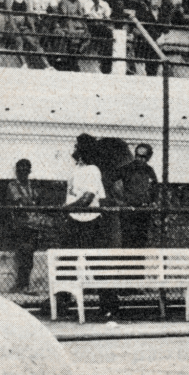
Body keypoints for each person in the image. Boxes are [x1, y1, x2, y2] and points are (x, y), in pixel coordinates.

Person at [64, 133, 118, 318]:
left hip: (90, 223)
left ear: (83, 150)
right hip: (74, 221)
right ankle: (64, 303)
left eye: (77, 146)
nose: (74, 149)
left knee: (96, 265)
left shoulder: (93, 170)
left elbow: (88, 198)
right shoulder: (76, 170)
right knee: (68, 263)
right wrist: (67, 211)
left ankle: (109, 306)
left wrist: (62, 209)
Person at [7, 159, 44, 292]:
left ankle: (25, 284)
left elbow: (36, 201)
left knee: (29, 256)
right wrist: (31, 203)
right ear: (16, 171)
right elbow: (20, 203)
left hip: (34, 225)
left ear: (29, 171)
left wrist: (30, 204)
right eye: (19, 170)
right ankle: (21, 284)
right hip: (20, 225)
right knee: (23, 255)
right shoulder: (12, 185)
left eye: (25, 170)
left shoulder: (32, 186)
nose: (22, 173)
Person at [113, 142, 159, 248]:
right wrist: (119, 201)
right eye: (137, 155)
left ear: (148, 157)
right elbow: (111, 183)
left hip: (143, 211)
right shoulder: (126, 169)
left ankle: (139, 264)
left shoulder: (149, 170)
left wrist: (153, 202)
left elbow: (154, 189)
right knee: (128, 240)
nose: (139, 159)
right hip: (129, 211)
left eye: (143, 157)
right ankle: (127, 264)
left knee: (141, 240)